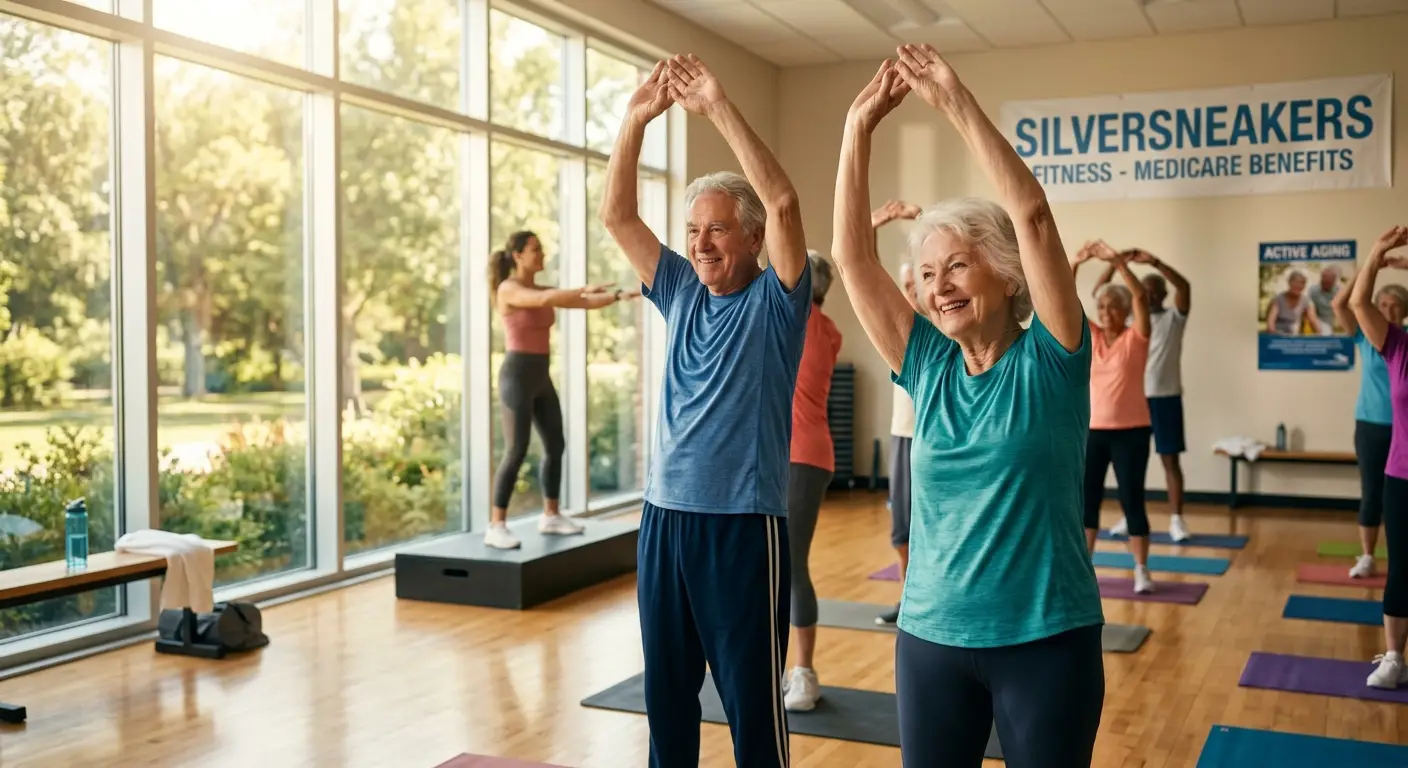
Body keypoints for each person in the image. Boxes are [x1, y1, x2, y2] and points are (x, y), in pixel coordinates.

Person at [832, 48, 1104, 767]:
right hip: (930, 640)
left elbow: (1033, 216)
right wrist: (858, 129)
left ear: (1009, 277)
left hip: (1045, 641)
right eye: (927, 275)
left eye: (957, 265)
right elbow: (853, 259)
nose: (939, 286)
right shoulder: (926, 365)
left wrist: (954, 103)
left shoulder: (1051, 357)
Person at [599, 54, 809, 767]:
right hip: (664, 520)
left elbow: (784, 203)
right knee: (666, 701)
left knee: (752, 707)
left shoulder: (777, 302)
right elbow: (617, 215)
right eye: (693, 230)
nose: (700, 243)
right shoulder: (680, 289)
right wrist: (635, 120)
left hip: (743, 527)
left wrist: (717, 106)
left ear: (752, 238)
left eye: (717, 229)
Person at [486, 231, 639, 549]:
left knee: (555, 444)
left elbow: (581, 303)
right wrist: (580, 290)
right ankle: (496, 524)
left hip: (540, 375)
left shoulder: (541, 288)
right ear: (517, 255)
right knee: (516, 449)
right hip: (517, 375)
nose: (542, 254)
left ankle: (551, 515)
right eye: (535, 249)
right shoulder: (508, 288)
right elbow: (546, 300)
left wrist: (619, 295)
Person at [1346, 224, 1408, 689]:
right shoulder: (1397, 348)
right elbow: (1356, 303)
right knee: (1401, 568)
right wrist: (1376, 252)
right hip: (1401, 475)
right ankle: (1394, 658)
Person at [1095, 249, 1193, 543]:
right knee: (1129, 466)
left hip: (1164, 397)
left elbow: (1184, 287)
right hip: (1132, 402)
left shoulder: (1174, 318)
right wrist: (1115, 264)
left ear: (1163, 294)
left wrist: (1155, 262)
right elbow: (1099, 293)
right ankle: (1130, 515)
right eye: (1143, 290)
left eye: (1153, 291)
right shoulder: (1129, 326)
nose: (1147, 295)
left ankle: (1176, 519)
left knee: (1169, 460)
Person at [1073, 242, 1155, 593]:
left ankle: (1141, 570)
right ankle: (1084, 570)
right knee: (1087, 501)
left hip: (1132, 432)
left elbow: (1141, 297)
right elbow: (1065, 299)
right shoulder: (1090, 336)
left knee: (1131, 499)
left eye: (1113, 306)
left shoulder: (1136, 338)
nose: (1106, 311)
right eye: (1102, 306)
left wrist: (1118, 262)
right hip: (1093, 432)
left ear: (1125, 311)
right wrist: (1076, 262)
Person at [781, 251, 843, 713]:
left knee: (791, 564)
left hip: (801, 456)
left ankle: (804, 672)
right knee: (772, 566)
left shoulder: (806, 324)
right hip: (787, 454)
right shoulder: (824, 326)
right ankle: (781, 666)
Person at [1334, 257, 1408, 579]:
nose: (1388, 310)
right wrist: (1369, 267)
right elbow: (1340, 304)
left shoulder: (1404, 342)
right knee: (1372, 492)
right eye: (1383, 304)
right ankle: (1367, 556)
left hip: (1404, 429)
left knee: (1399, 497)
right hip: (1371, 425)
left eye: (1395, 305)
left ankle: (1399, 558)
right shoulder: (1365, 337)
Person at [872, 200, 923, 627]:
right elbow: (865, 272)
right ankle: (908, 598)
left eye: (915, 284)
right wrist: (874, 223)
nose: (909, 292)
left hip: (934, 436)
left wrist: (925, 222)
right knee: (901, 528)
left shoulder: (940, 323)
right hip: (902, 434)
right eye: (904, 285)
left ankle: (929, 598)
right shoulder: (895, 326)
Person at [1266, 271, 1315, 335]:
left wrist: (1321, 336)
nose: (1298, 286)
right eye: (1295, 283)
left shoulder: (1306, 301)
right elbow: (1271, 321)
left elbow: (1313, 320)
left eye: (1302, 283)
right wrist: (1273, 334)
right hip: (1278, 333)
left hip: (1293, 334)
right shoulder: (1278, 299)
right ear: (1289, 283)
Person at [1309, 265, 1342, 334]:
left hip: (1335, 319)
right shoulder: (1313, 290)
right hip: (1320, 320)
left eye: (1328, 282)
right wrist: (1318, 328)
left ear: (1334, 281)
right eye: (1324, 281)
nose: (1325, 284)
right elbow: (1311, 311)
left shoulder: (1339, 291)